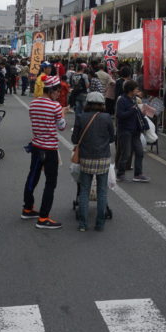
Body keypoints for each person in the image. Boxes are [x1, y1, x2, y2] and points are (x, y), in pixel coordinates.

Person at [21, 74, 66, 229]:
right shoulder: (55, 106)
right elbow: (61, 126)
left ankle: (27, 208)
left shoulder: (33, 104)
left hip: (36, 145)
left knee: (33, 176)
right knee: (50, 182)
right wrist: (63, 115)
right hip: (50, 148)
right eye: (57, 91)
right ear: (52, 90)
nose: (58, 94)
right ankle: (44, 217)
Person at [72, 91, 115, 231]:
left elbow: (74, 139)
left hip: (86, 158)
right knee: (102, 191)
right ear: (102, 104)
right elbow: (112, 138)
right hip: (103, 158)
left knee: (84, 190)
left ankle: (83, 224)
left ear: (87, 103)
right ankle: (100, 224)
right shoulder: (107, 117)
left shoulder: (81, 117)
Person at [115, 80, 149, 182]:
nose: (138, 91)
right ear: (130, 90)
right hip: (125, 130)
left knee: (139, 152)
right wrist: (132, 110)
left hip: (135, 130)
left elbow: (135, 113)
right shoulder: (122, 100)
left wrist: (141, 113)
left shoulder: (134, 99)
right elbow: (119, 115)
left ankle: (138, 174)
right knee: (126, 153)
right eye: (136, 89)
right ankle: (120, 174)